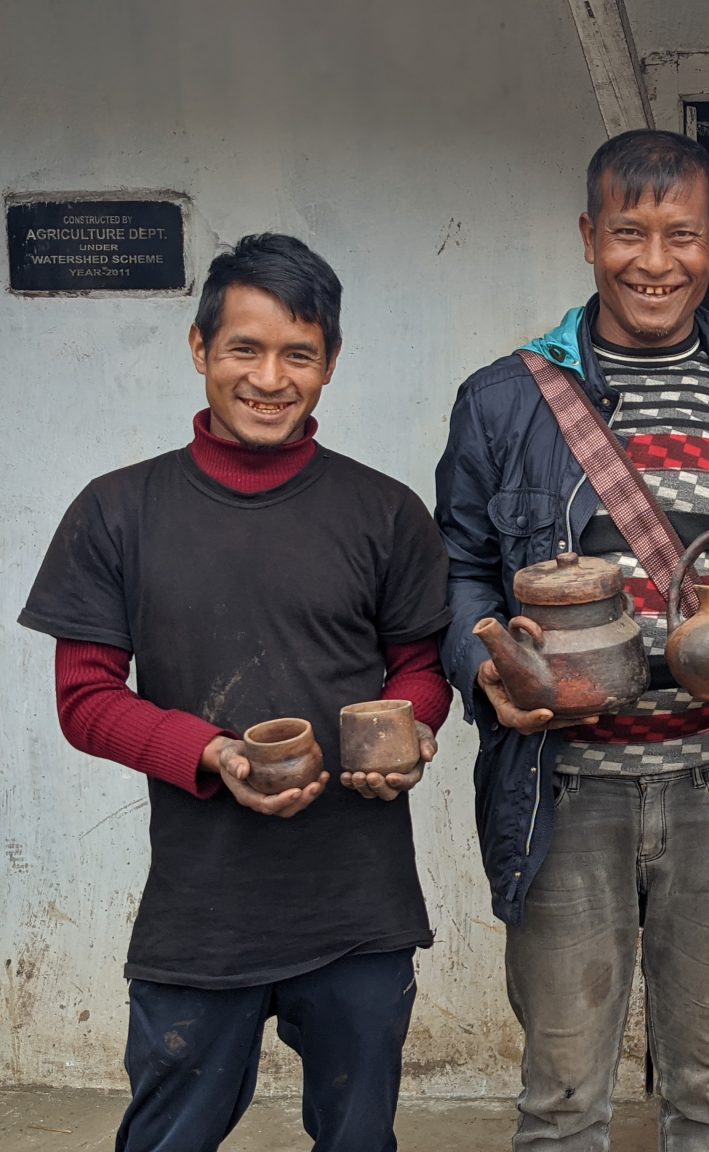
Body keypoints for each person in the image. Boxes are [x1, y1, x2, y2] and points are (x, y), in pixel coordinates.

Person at [434, 128, 709, 1151]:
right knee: (564, 1097)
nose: (653, 262)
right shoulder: (503, 401)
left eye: (677, 236)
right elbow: (460, 571)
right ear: (588, 237)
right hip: (566, 788)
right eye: (627, 233)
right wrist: (485, 667)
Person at [17, 233, 453, 1152]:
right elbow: (85, 699)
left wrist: (408, 730)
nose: (269, 377)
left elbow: (419, 664)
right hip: (200, 910)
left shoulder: (384, 513)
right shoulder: (117, 512)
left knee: (359, 1138)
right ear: (200, 349)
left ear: (330, 363)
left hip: (357, 903)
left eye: (298, 353)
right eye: (244, 349)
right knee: (170, 1137)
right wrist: (208, 753)